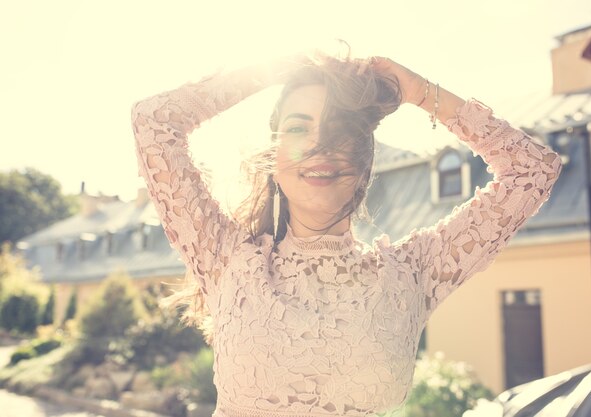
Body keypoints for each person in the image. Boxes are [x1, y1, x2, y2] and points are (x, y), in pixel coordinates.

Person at [130, 51, 562, 417]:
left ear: (365, 161)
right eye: (299, 127)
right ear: (275, 156)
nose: (321, 145)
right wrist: (273, 68)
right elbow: (153, 122)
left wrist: (419, 91)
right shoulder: (225, 259)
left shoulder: (412, 274)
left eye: (340, 129)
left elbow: (533, 168)